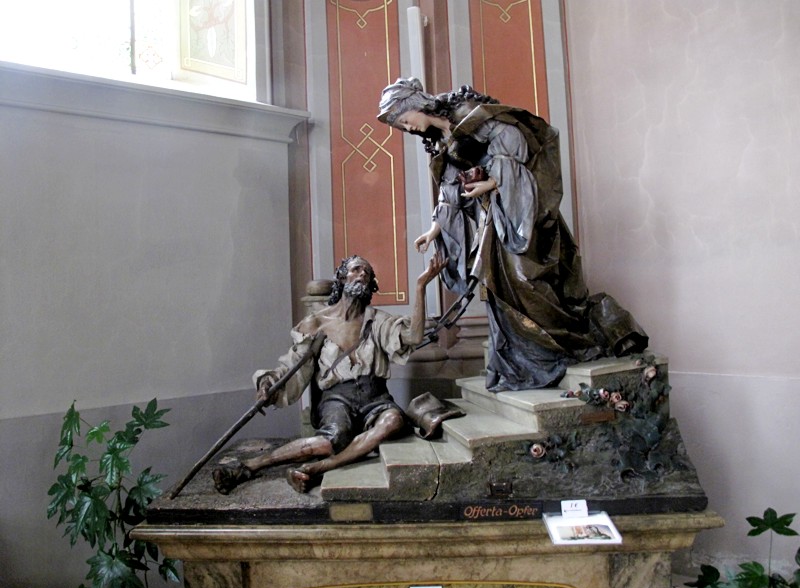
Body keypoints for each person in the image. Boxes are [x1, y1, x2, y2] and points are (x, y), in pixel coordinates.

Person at [377, 78, 648, 391]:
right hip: (494, 217)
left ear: (416, 104)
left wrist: (492, 182)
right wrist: (434, 228)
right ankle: (525, 361)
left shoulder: (468, 113)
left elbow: (514, 144)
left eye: (404, 120)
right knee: (497, 287)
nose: (407, 128)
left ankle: (577, 338)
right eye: (401, 126)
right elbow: (450, 189)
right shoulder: (440, 139)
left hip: (520, 210)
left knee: (526, 279)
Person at [212, 253, 447, 494]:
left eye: (367, 273)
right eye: (356, 269)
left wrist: (420, 286)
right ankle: (250, 466)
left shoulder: (377, 321)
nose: (362, 274)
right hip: (337, 399)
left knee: (393, 421)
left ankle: (317, 468)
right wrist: (269, 383)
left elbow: (413, 336)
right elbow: (293, 364)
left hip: (375, 397)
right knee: (332, 439)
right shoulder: (317, 323)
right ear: (342, 278)